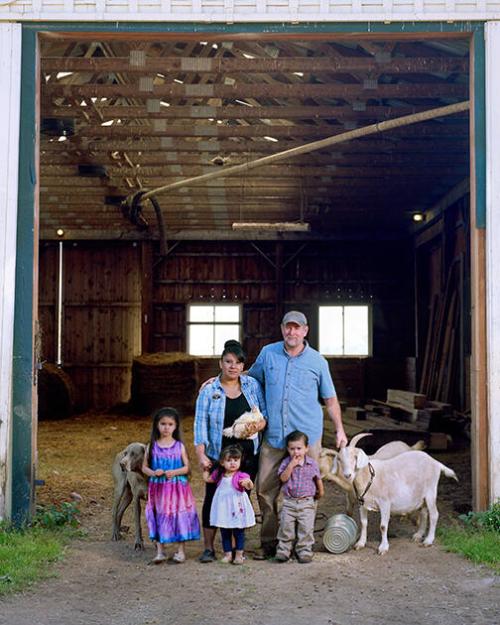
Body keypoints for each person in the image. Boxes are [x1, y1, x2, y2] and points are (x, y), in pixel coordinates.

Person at [248, 310, 347, 559]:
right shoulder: (268, 354)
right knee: (265, 488)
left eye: (297, 328)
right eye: (288, 327)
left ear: (305, 331)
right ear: (282, 329)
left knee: (307, 490)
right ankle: (271, 542)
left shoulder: (317, 362)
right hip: (273, 435)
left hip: (306, 439)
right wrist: (219, 381)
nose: (292, 332)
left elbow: (331, 399)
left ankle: (303, 543)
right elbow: (249, 380)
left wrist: (340, 430)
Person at [194, 339, 267, 563]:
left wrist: (259, 425)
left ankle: (236, 548)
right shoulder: (209, 391)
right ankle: (208, 548)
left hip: (247, 453)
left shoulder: (252, 386)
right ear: (221, 363)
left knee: (239, 496)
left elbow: (264, 415)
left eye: (237, 362)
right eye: (228, 361)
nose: (232, 366)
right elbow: (200, 425)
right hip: (219, 454)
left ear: (243, 366)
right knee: (212, 498)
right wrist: (201, 454)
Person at [142, 407, 200, 564]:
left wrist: (174, 472)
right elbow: (144, 467)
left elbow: (187, 467)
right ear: (156, 425)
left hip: (177, 489)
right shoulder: (151, 446)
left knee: (178, 515)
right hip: (159, 489)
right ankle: (160, 551)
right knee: (158, 515)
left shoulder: (179, 446)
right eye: (162, 424)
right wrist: (154, 473)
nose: (166, 427)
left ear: (176, 426)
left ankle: (180, 551)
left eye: (170, 424)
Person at [274, 430, 324, 564]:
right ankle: (284, 550)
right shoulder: (286, 463)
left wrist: (321, 491)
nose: (296, 452)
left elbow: (317, 479)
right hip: (289, 502)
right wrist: (291, 465)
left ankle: (304, 550)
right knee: (286, 527)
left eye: (299, 448)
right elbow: (283, 478)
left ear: (306, 448)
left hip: (307, 502)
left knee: (306, 528)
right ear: (287, 449)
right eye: (292, 449)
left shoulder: (312, 464)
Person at [203, 445, 256, 564]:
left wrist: (247, 483)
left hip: (236, 508)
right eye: (229, 460)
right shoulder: (219, 474)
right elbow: (209, 480)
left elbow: (249, 485)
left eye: (236, 460)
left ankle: (239, 554)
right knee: (224, 530)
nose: (232, 463)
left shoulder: (241, 475)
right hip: (223, 507)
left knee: (238, 531)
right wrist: (206, 470)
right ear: (222, 462)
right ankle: (228, 554)